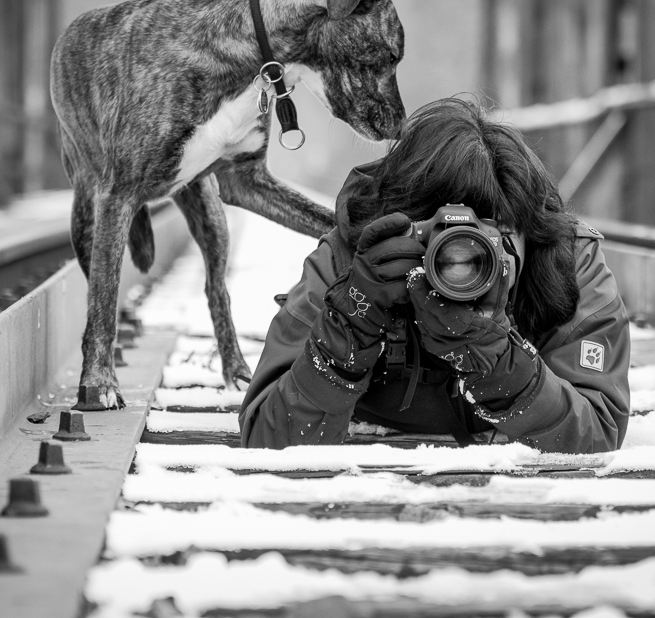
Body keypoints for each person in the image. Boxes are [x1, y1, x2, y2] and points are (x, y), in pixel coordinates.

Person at [239, 98, 630, 452]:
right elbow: (268, 436)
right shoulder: (355, 256)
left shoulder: (566, 259)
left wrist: (501, 362)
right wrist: (349, 323)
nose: (462, 260)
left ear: (532, 228)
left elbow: (597, 429)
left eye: (493, 236)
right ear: (400, 222)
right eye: (440, 239)